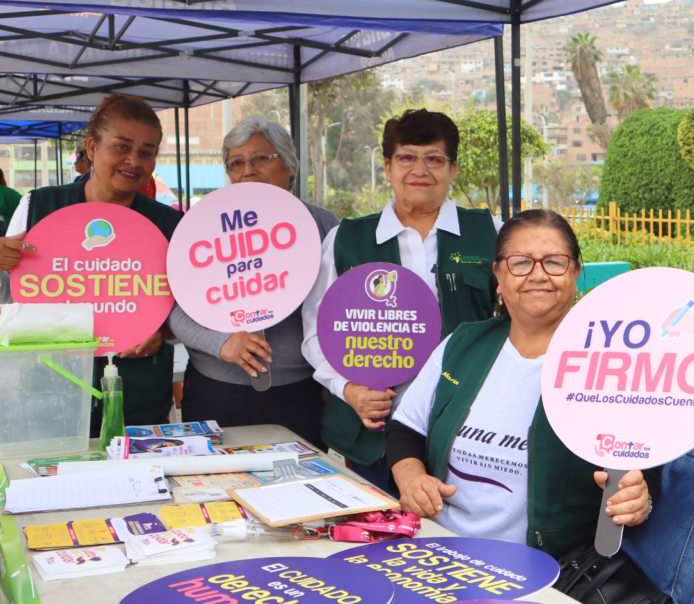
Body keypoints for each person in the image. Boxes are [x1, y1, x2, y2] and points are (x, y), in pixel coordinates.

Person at [387, 210, 653, 556]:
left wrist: (639, 500)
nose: (538, 275)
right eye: (521, 263)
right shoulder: (462, 344)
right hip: (439, 549)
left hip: (546, 567)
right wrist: (412, 480)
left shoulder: (614, 363)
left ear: (575, 273)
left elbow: (645, 475)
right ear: (498, 275)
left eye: (554, 262)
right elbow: (405, 429)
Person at [302, 108, 501, 487]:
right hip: (371, 433)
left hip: (463, 424)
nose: (420, 170)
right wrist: (349, 390)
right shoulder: (346, 240)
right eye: (407, 157)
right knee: (381, 523)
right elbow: (316, 333)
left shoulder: (490, 233)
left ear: (453, 170)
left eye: (434, 159)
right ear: (388, 167)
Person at [0, 94, 182, 429]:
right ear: (93, 148)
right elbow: (8, 299)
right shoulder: (40, 207)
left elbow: (186, 306)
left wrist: (165, 332)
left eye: (147, 152)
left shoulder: (170, 224)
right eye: (121, 146)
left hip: (139, 399)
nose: (133, 161)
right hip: (50, 395)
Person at [170, 116, 338, 444]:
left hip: (300, 392)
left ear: (289, 165)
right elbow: (175, 309)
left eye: (261, 158)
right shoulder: (200, 226)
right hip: (214, 389)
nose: (247, 170)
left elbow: (341, 307)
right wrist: (220, 343)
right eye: (236, 163)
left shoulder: (322, 225)